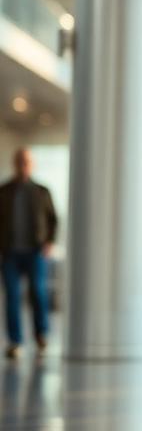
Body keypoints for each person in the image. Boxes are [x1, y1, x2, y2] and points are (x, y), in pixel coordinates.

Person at [0, 148, 58, 360]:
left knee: (38, 292)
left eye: (26, 162)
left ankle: (41, 334)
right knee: (12, 297)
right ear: (14, 164)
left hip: (35, 252)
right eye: (19, 161)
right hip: (10, 253)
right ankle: (15, 341)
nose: (22, 165)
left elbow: (53, 219)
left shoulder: (42, 191)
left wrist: (50, 242)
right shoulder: (4, 191)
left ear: (32, 164)